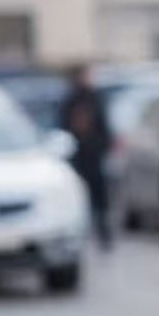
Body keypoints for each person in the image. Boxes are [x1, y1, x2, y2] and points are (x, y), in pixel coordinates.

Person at [57, 62, 113, 250]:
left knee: (100, 197)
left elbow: (104, 126)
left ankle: (104, 234)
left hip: (94, 155)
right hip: (77, 156)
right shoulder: (70, 101)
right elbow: (64, 127)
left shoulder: (95, 98)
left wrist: (103, 147)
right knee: (79, 198)